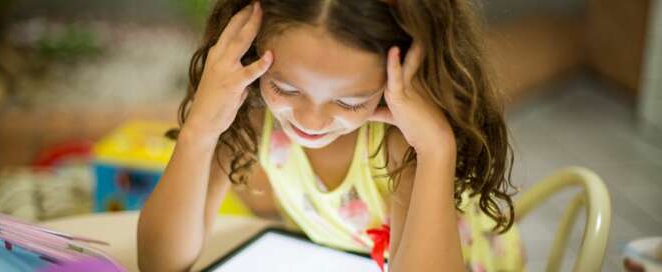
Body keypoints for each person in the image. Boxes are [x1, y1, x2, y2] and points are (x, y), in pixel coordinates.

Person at [137, 0, 525, 271]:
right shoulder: (252, 120)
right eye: (286, 89)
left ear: (404, 76)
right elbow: (160, 263)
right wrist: (200, 128)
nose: (312, 120)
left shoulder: (401, 145)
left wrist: (437, 148)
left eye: (351, 101)